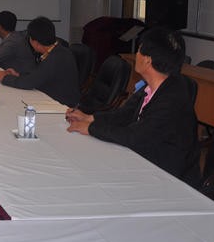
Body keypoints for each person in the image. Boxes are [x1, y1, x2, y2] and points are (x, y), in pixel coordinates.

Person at [65, 26, 199, 180]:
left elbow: (135, 137)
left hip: (169, 177)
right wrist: (90, 118)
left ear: (148, 60)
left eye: (139, 50)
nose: (136, 54)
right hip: (146, 161)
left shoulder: (172, 99)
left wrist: (91, 128)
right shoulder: (152, 85)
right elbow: (124, 114)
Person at [0, 16, 80, 107]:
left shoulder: (55, 57)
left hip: (61, 106)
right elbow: (39, 75)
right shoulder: (57, 51)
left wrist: (4, 78)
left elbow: (29, 83)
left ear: (35, 42)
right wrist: (18, 75)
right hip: (53, 97)